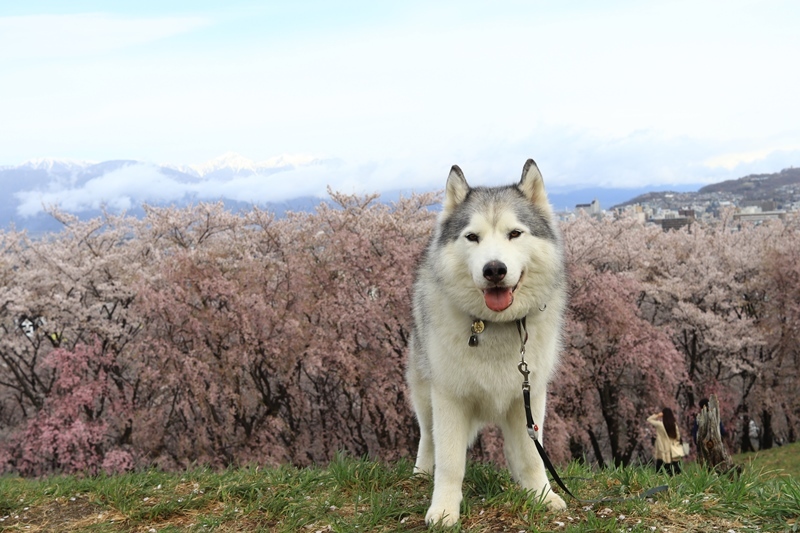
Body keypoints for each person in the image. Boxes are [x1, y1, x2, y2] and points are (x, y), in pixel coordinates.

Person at [647, 407, 683, 475]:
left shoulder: (660, 425)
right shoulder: (674, 425)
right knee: (675, 467)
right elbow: (678, 437)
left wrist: (657, 415)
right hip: (673, 449)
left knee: (661, 467)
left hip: (663, 448)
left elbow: (649, 419)